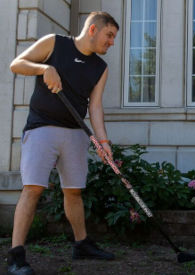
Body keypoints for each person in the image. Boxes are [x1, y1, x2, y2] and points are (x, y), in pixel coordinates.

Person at [7, 11, 119, 275]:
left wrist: (103, 141)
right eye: (109, 35)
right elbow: (17, 64)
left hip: (75, 132)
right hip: (41, 127)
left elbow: (96, 108)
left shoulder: (100, 68)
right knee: (33, 189)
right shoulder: (54, 43)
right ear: (93, 29)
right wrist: (44, 68)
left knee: (74, 191)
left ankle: (81, 244)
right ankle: (16, 255)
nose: (112, 42)